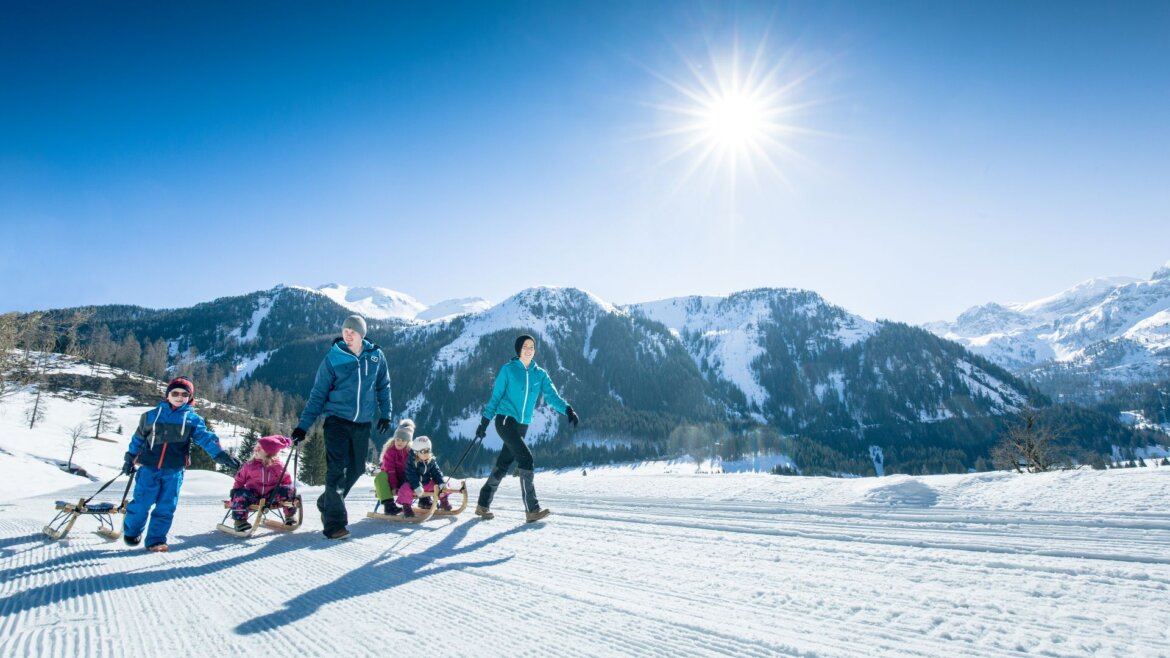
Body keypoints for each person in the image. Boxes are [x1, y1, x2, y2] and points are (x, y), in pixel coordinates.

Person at [291, 315, 392, 540]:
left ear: (361, 334)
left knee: (356, 468)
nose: (347, 334)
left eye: (352, 331)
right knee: (337, 471)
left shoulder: (375, 356)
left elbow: (383, 385)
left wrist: (386, 413)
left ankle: (327, 501)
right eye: (345, 330)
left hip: (362, 423)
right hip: (336, 421)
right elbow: (318, 394)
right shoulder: (333, 358)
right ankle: (334, 523)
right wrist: (303, 426)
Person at [121, 376, 241, 552]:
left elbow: (205, 438)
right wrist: (129, 458)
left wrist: (220, 454)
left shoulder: (193, 420)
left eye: (184, 394)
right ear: (167, 394)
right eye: (175, 393)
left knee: (166, 506)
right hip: (149, 468)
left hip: (174, 471)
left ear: (190, 397)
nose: (179, 397)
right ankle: (132, 532)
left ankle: (155, 540)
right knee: (141, 503)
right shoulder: (150, 417)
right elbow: (138, 439)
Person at [474, 334, 579, 522]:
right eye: (525, 346)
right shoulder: (508, 370)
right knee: (526, 459)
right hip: (505, 420)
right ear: (518, 350)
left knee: (504, 464)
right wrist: (484, 423)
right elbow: (496, 398)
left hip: (523, 425)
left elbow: (552, 396)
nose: (529, 349)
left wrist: (568, 409)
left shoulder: (540, 374)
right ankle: (532, 509)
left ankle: (482, 504)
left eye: (532, 346)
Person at [228, 435, 298, 531]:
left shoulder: (277, 466)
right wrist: (235, 490)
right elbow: (240, 480)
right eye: (255, 447)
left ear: (269, 452)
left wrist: (288, 491)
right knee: (241, 494)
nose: (255, 450)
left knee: (289, 490)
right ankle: (240, 521)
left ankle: (289, 516)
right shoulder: (249, 465)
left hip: (272, 497)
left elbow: (286, 480)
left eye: (259, 448)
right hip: (254, 496)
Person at [398, 435, 452, 517]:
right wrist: (417, 486)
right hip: (413, 485)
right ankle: (407, 507)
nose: (427, 453)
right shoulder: (411, 461)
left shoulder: (431, 460)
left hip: (426, 484)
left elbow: (436, 472)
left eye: (428, 450)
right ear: (416, 452)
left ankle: (443, 500)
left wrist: (441, 483)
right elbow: (411, 475)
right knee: (404, 489)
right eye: (423, 451)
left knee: (444, 484)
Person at [373, 419, 414, 515]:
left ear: (408, 442)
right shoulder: (390, 452)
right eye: (397, 439)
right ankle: (389, 506)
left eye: (403, 440)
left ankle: (424, 500)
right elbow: (390, 471)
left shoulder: (410, 452)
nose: (399, 442)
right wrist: (394, 486)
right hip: (391, 481)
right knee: (380, 476)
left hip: (406, 481)